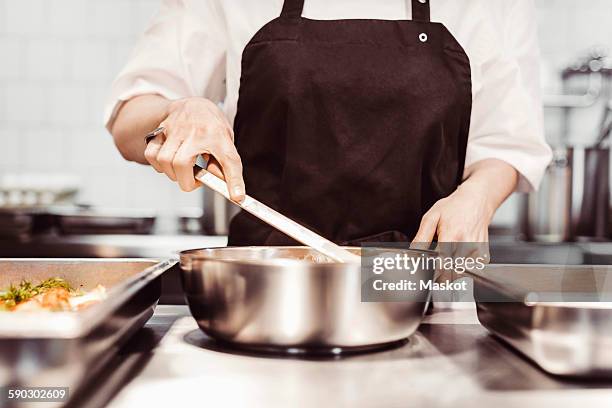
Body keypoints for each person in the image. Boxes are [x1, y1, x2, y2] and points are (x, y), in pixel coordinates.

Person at [106, 0, 551, 247]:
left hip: (411, 285)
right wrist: (177, 111)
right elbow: (130, 121)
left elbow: (508, 144)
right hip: (268, 284)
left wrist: (477, 198)